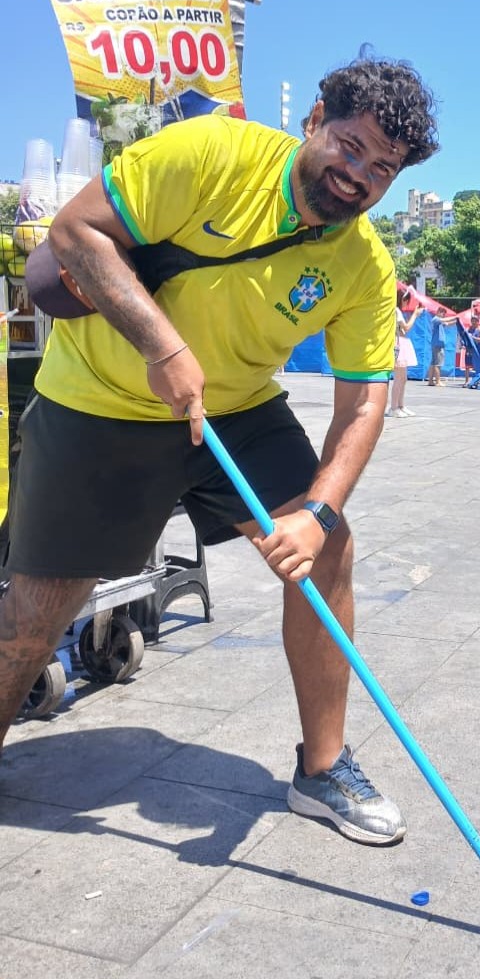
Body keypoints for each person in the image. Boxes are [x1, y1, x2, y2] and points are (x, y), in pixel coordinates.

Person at [0, 57, 439, 844]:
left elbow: (365, 398)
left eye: (383, 168)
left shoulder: (364, 263)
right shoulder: (209, 152)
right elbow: (76, 232)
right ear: (314, 120)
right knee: (41, 607)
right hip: (97, 397)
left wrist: (318, 511)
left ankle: (323, 768)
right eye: (351, 145)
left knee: (328, 552)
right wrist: (163, 344)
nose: (359, 176)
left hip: (234, 410)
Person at [388, 286, 419, 418]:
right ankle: (394, 407)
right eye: (406, 300)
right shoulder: (396, 310)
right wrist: (415, 315)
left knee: (403, 378)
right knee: (399, 378)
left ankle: (400, 405)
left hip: (401, 342)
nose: (407, 303)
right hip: (398, 344)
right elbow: (406, 327)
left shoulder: (397, 311)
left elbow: (403, 330)